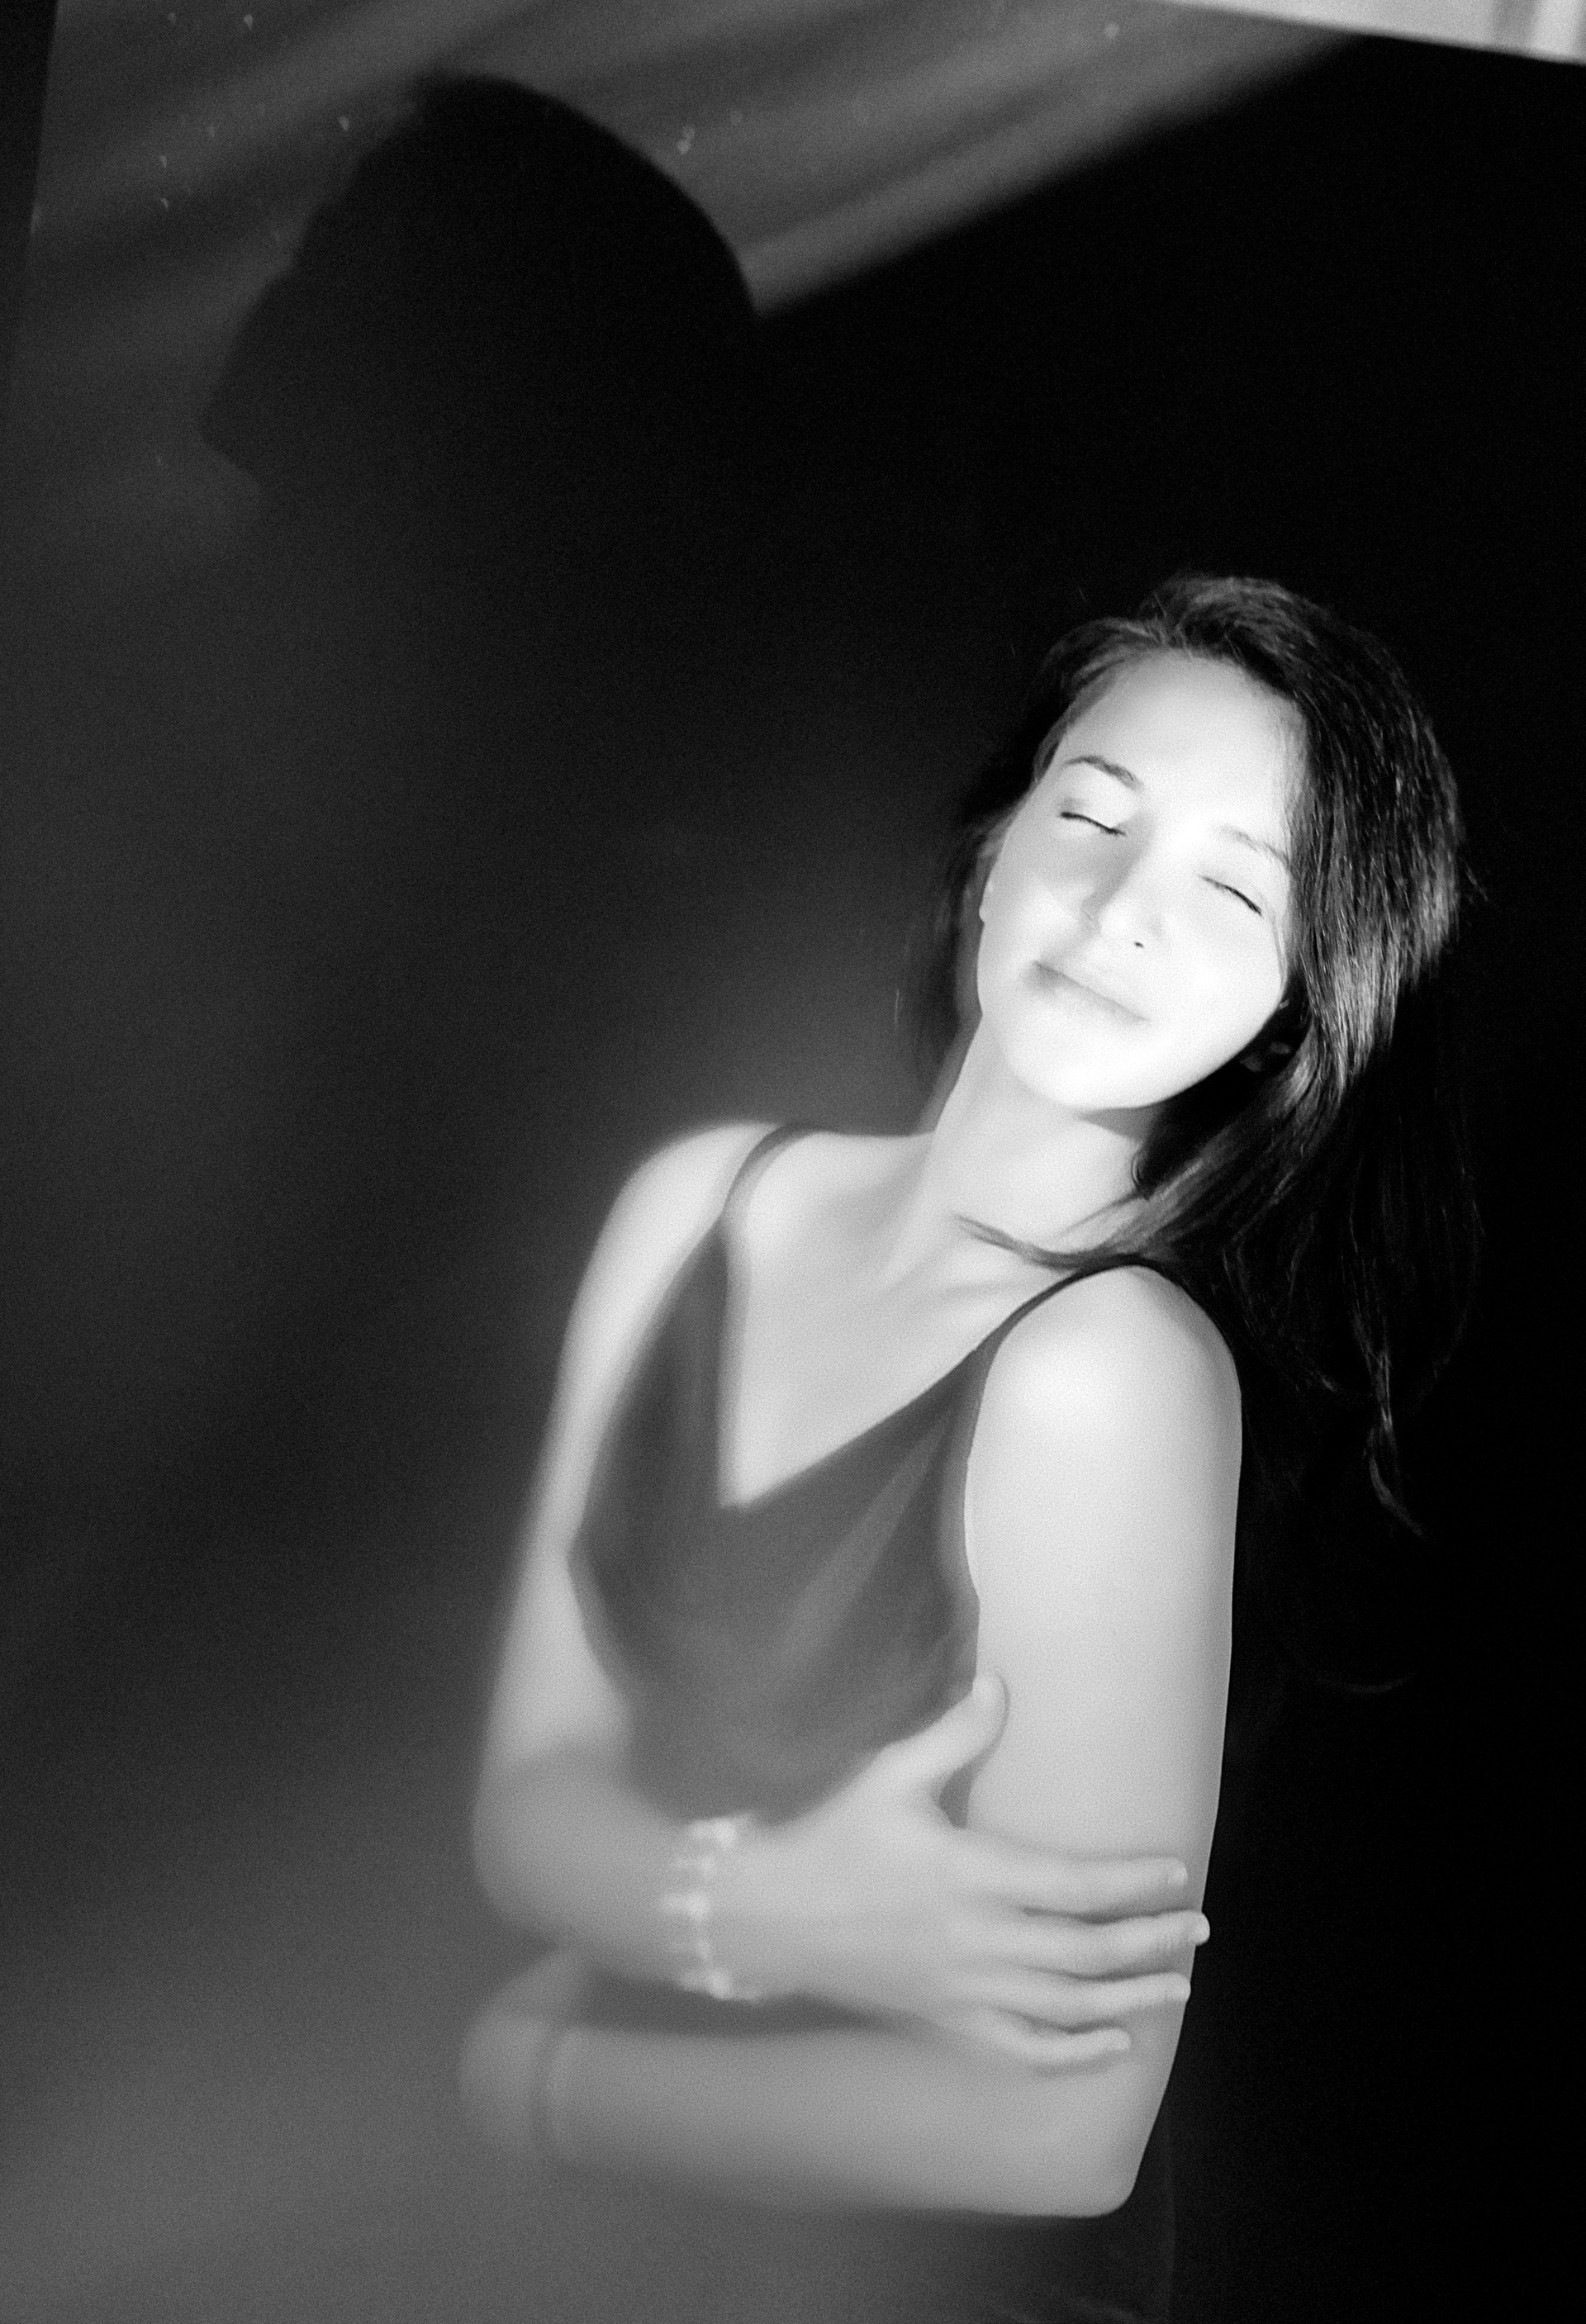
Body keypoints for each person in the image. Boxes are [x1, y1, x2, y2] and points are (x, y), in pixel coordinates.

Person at [459, 574, 1476, 2322]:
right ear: (1000, 845)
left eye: (1235, 888)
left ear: (1291, 1006)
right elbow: (525, 1807)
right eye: (1092, 813)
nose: (1121, 909)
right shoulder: (699, 1201)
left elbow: (1060, 2135)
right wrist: (770, 1912)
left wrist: (540, 2081)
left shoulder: (1114, 1374)